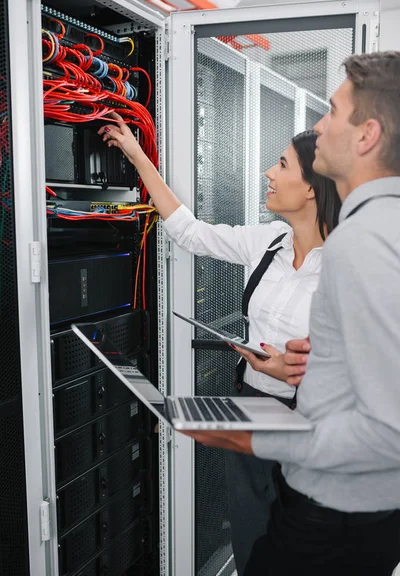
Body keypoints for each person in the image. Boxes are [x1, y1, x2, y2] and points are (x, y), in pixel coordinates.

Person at [180, 51, 400, 576]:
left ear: (366, 135)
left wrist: (250, 437)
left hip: (336, 512)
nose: (318, 126)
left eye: (331, 110)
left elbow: (390, 429)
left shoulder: (360, 243)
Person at [98, 118, 341, 574]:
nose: (269, 172)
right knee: (253, 542)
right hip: (250, 410)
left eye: (283, 163)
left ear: (312, 187)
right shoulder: (268, 241)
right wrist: (136, 155)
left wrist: (294, 370)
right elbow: (189, 231)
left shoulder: (351, 265)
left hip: (311, 424)